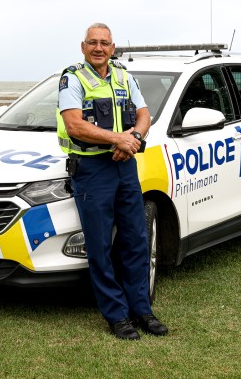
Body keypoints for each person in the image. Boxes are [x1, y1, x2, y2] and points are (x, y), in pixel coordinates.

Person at [57, 23, 168, 340]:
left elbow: (145, 115)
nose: (98, 48)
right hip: (93, 170)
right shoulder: (72, 79)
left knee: (136, 240)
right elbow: (74, 125)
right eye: (92, 42)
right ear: (82, 46)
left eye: (104, 43)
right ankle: (117, 316)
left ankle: (141, 310)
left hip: (124, 166)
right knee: (100, 246)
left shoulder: (124, 76)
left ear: (113, 48)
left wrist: (132, 138)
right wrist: (117, 139)